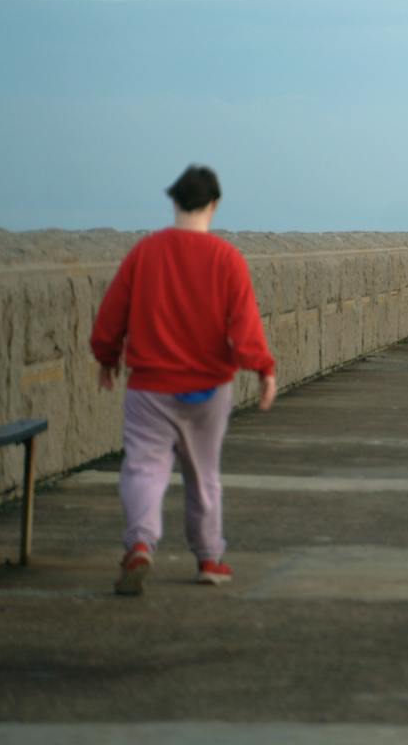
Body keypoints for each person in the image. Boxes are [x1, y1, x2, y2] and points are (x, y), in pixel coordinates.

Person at [91, 164, 277, 596]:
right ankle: (209, 558)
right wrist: (264, 369)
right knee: (204, 473)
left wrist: (106, 357)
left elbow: (112, 314)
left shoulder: (146, 253)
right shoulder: (227, 259)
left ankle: (140, 542)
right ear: (214, 205)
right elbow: (244, 326)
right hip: (209, 388)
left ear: (173, 201)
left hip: (150, 386)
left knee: (144, 468)